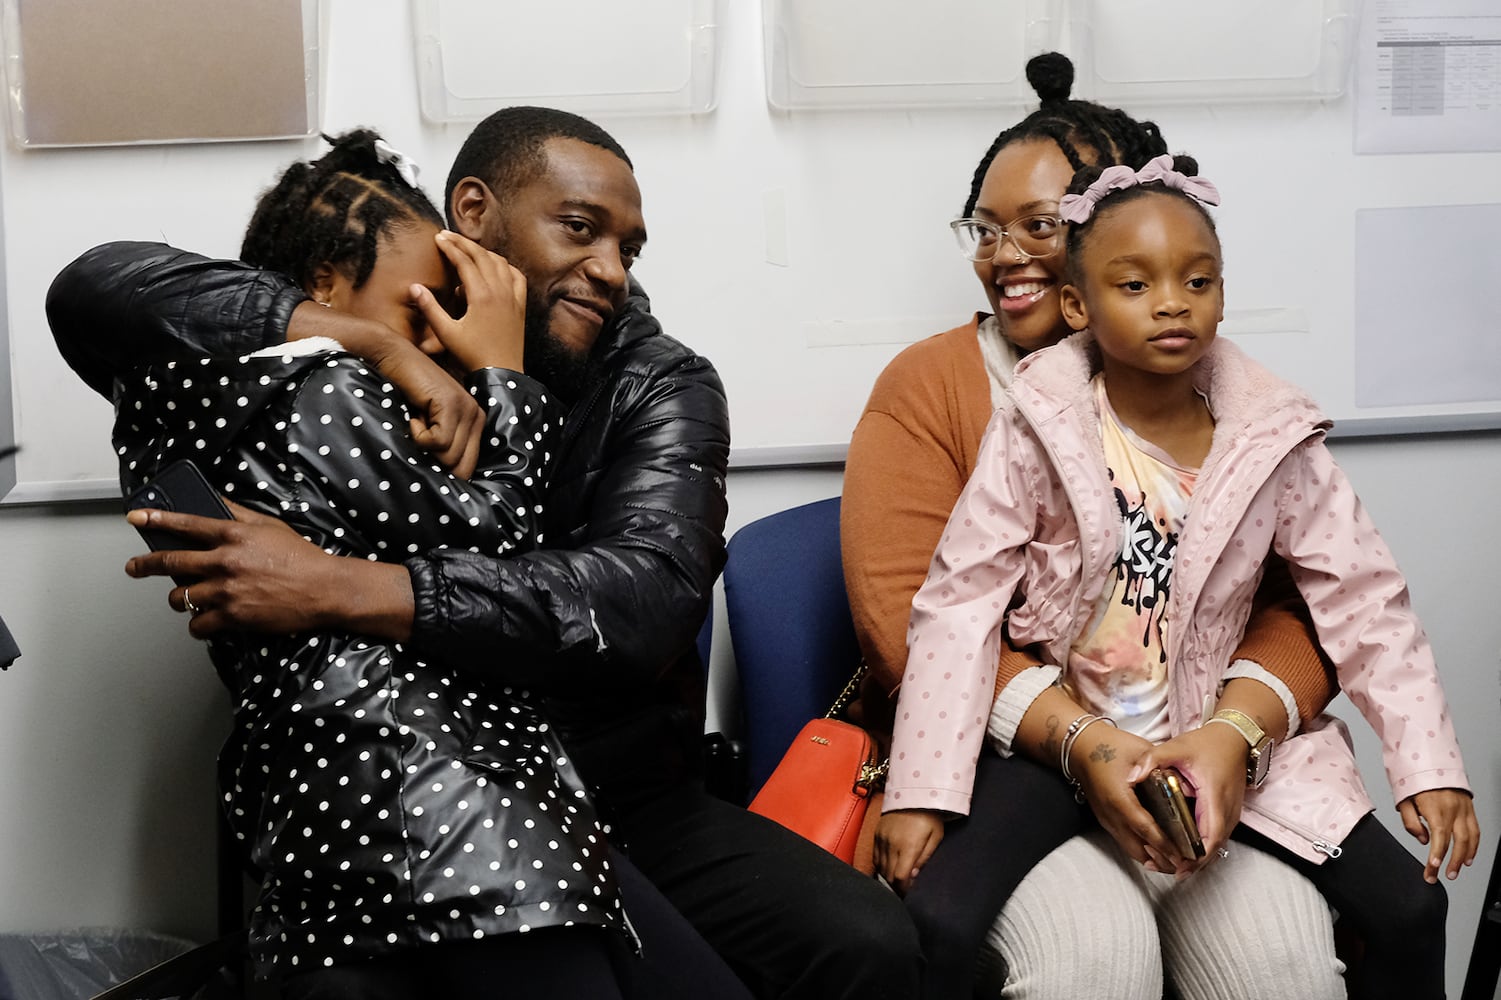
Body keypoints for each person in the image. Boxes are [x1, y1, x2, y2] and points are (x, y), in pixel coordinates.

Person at [47, 107, 922, 1000]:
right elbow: (98, 290)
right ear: (470, 215)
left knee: (870, 948)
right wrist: (373, 340)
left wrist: (345, 587)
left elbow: (640, 602)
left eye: (630, 248)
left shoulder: (658, 380)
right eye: (579, 230)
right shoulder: (385, 334)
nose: (611, 272)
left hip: (619, 791)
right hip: (422, 781)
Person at [881, 153, 1480, 999]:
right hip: (1063, 750)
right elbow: (958, 603)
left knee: (1408, 914)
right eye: (1135, 285)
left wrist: (1428, 765)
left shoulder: (1272, 438)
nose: (1171, 302)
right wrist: (922, 792)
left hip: (1217, 740)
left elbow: (1363, 597)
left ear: (1223, 294)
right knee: (937, 920)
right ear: (1078, 306)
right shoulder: (1034, 429)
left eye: (1196, 281)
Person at [62, 127, 635, 997]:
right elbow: (510, 549)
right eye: (424, 308)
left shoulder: (187, 389)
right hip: (453, 837)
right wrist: (501, 375)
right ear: (323, 284)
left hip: (337, 841)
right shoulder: (313, 386)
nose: (444, 339)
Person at [844, 53, 1350, 1000]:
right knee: (1092, 962)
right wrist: (1090, 745)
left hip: (1195, 756)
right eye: (985, 229)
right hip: (1007, 768)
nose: (1004, 254)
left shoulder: (1218, 392)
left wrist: (1233, 733)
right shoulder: (929, 388)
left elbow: (1309, 605)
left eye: (1040, 225)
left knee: (1282, 968)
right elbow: (907, 623)